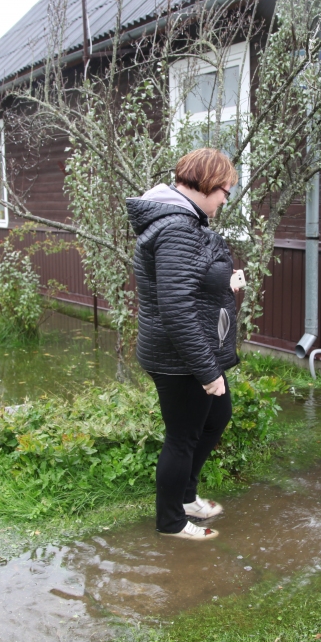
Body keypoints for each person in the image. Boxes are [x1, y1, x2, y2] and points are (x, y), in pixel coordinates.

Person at [125, 148, 240, 541]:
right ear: (207, 185)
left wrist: (224, 283)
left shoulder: (183, 222)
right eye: (225, 190)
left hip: (192, 350)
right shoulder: (176, 227)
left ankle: (186, 496)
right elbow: (175, 308)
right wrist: (207, 372)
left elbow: (187, 283)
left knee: (216, 416)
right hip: (180, 357)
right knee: (183, 435)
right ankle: (171, 521)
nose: (226, 198)